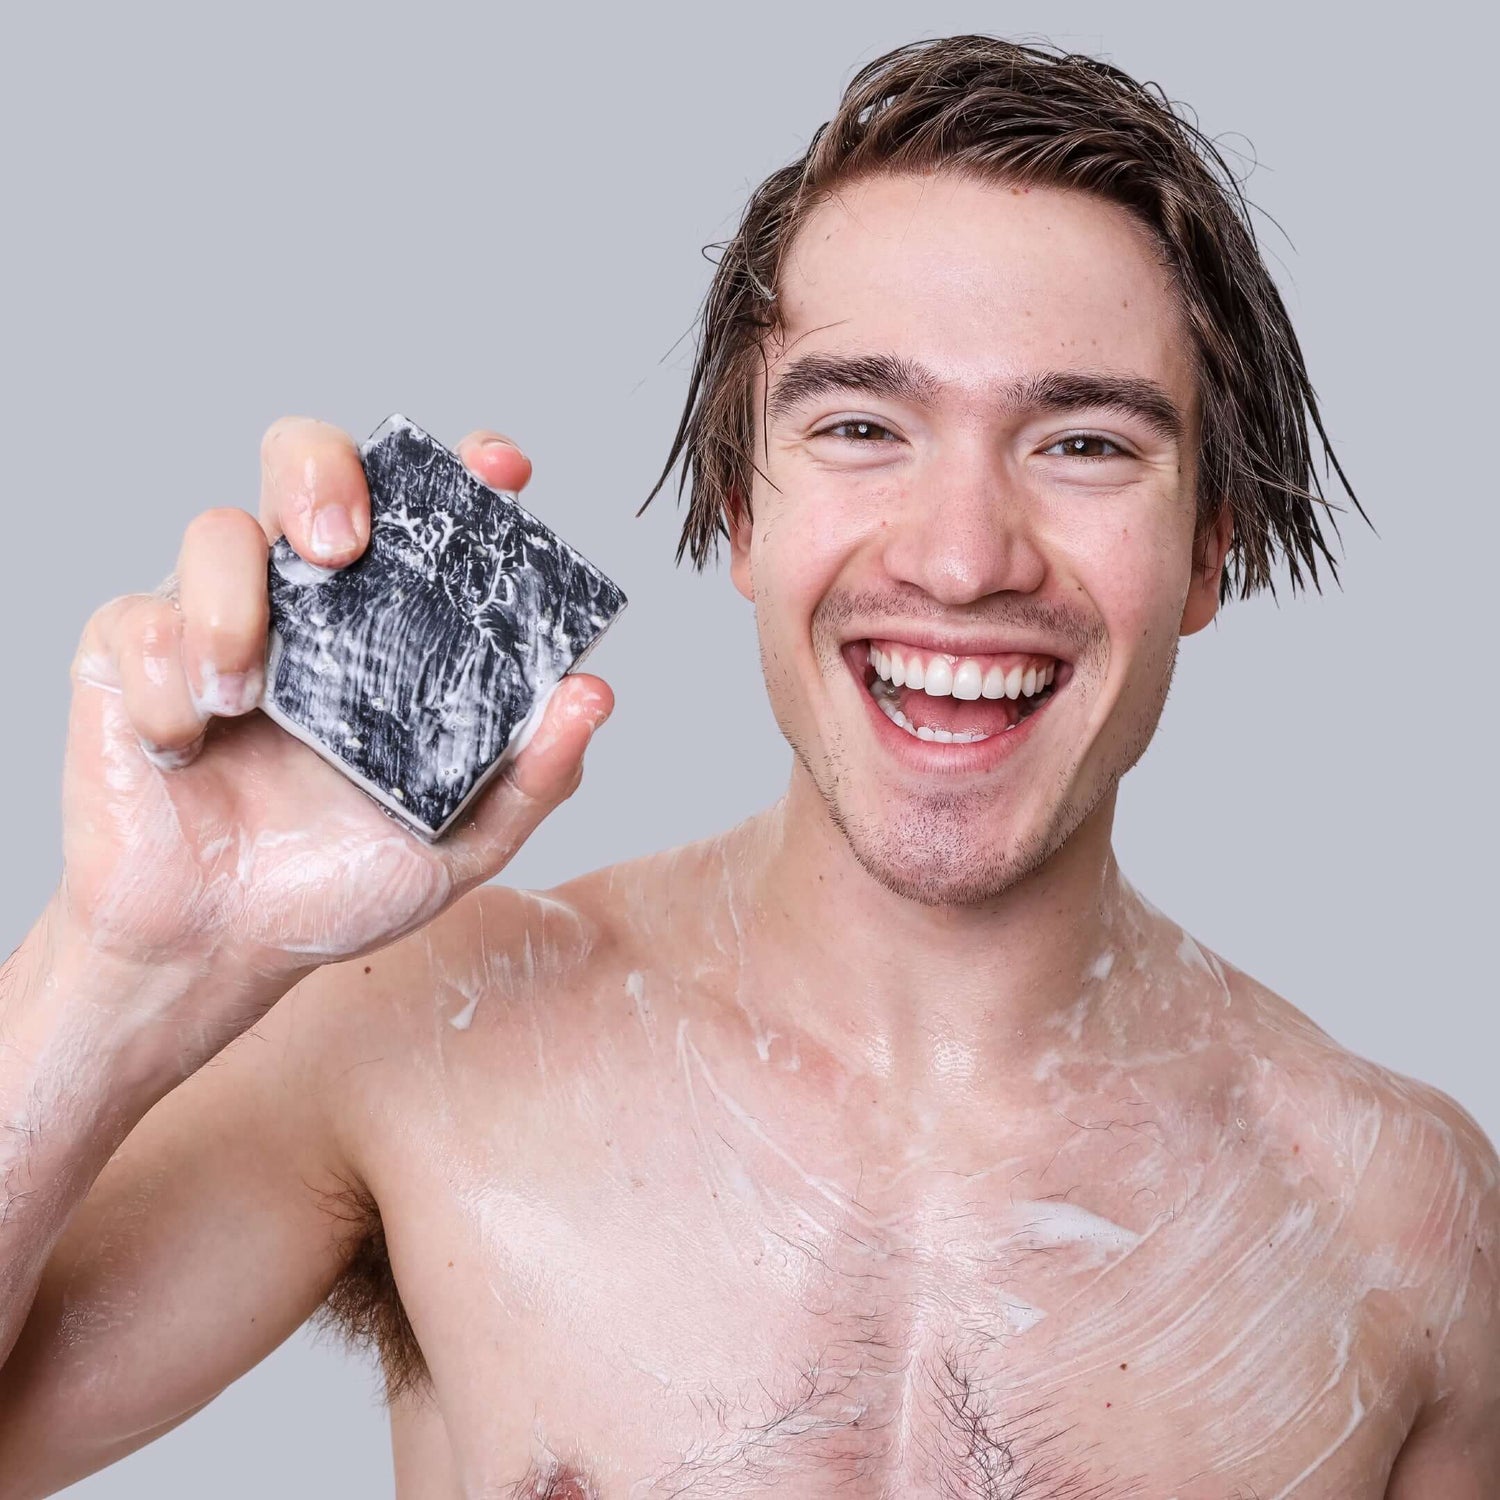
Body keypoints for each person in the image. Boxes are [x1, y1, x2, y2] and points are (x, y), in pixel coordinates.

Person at [0, 32, 1493, 1499]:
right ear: (740, 515)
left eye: (1086, 444)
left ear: (1208, 553)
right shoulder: (418, 1031)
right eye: (860, 424)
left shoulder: (1407, 1229)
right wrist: (117, 964)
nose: (963, 558)